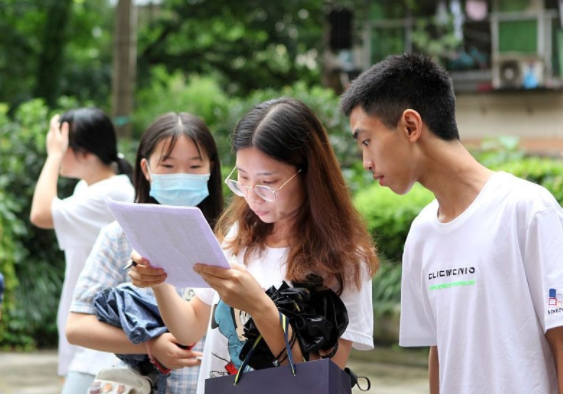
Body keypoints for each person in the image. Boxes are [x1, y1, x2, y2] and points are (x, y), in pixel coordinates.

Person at [340, 52, 563, 394]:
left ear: (411, 126)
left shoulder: (527, 209)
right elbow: (440, 352)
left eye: (367, 141)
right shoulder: (422, 234)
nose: (366, 162)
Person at [129, 97, 378, 394]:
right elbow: (190, 328)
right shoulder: (239, 235)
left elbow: (321, 380)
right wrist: (159, 278)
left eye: (266, 182)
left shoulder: (346, 259)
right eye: (242, 179)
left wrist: (260, 307)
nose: (251, 196)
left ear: (309, 174)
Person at [66, 112, 224, 394]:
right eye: (168, 165)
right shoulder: (120, 234)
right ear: (146, 169)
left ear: (211, 167)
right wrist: (150, 343)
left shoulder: (232, 237)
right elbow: (77, 326)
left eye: (194, 165)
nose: (181, 176)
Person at [29, 108, 135, 393]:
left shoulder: (112, 195)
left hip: (101, 337)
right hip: (88, 331)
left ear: (85, 153)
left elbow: (40, 214)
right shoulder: (87, 190)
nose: (56, 151)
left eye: (63, 147)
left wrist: (52, 157)